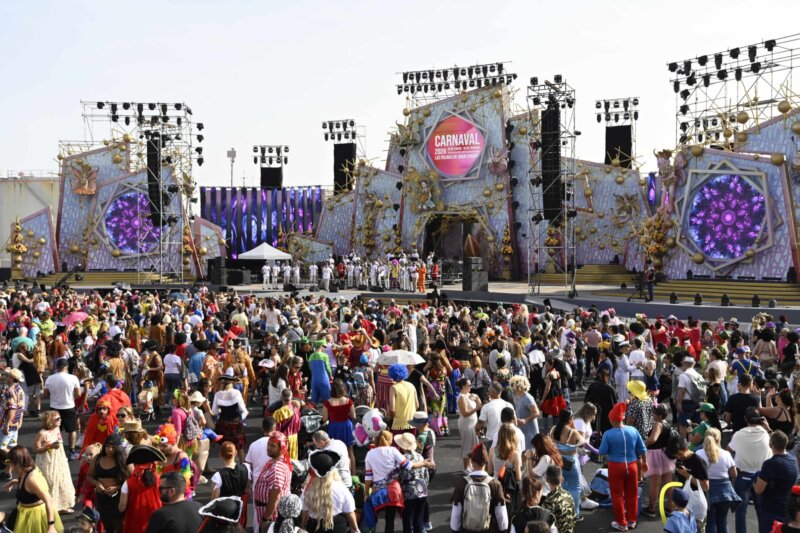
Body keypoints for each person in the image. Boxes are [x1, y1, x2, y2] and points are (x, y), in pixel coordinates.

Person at [363, 430, 432, 533]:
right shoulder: (395, 451)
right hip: (395, 491)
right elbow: (408, 466)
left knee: (375, 517)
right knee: (395, 519)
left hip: (379, 492)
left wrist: (366, 493)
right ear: (388, 440)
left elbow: (368, 477)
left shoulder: (370, 454)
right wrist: (423, 464)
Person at [597, 402, 648, 532]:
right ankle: (631, 520)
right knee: (632, 493)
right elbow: (642, 449)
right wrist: (644, 462)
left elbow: (602, 452)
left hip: (615, 466)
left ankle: (621, 523)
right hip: (632, 466)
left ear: (612, 419)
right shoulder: (633, 430)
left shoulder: (608, 434)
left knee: (617, 495)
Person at [728, 406, 772, 533]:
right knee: (761, 510)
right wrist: (768, 428)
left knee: (741, 510)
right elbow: (779, 442)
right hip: (761, 477)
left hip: (742, 476)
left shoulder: (738, 435)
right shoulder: (766, 434)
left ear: (745, 419)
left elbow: (729, 450)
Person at [449, 443, 508, 533]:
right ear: (486, 462)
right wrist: (503, 529)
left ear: (472, 462)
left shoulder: (462, 483)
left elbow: (456, 513)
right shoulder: (495, 484)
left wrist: (455, 530)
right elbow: (501, 514)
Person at [5, 445, 64, 533]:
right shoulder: (26, 471)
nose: (8, 464)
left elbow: (48, 500)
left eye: (9, 461)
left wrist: (51, 526)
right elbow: (29, 488)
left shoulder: (31, 478)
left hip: (35, 517)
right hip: (25, 513)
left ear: (17, 462)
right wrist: (14, 481)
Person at [301, 449, 359, 533]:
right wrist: (355, 529)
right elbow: (349, 511)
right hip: (337, 527)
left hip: (314, 528)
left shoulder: (308, 488)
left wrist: (303, 525)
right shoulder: (340, 487)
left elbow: (304, 511)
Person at [754, 430, 800, 533]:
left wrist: (755, 478)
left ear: (771, 444)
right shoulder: (792, 458)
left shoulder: (770, 464)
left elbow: (758, 490)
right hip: (786, 510)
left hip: (771, 512)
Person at [696, 428, 740, 533]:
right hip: (724, 491)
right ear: (719, 439)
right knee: (722, 520)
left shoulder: (698, 453)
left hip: (707, 490)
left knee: (710, 520)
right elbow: (734, 474)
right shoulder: (726, 454)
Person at [33, 411, 75, 514]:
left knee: (62, 481)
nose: (60, 420)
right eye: (57, 419)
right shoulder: (42, 433)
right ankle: (51, 507)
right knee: (50, 483)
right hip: (47, 462)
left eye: (60, 418)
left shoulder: (57, 429)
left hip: (59, 460)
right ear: (49, 421)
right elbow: (35, 449)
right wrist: (49, 446)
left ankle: (62, 506)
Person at [87, 434, 130, 533]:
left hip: (119, 499)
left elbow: (131, 480)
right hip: (102, 498)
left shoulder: (124, 460)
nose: (110, 449)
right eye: (107, 446)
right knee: (107, 525)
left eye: (113, 447)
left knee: (119, 526)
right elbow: (89, 476)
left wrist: (118, 487)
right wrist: (97, 484)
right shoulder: (97, 458)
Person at [253, 432, 293, 533]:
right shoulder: (273, 462)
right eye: (268, 444)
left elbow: (275, 496)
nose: (268, 448)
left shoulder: (277, 468)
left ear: (282, 448)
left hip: (271, 515)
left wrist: (266, 518)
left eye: (273, 446)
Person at [119, 445, 164, 533]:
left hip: (135, 524)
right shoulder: (160, 479)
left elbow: (122, 507)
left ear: (135, 464)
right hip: (156, 521)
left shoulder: (127, 483)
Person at [643, 403, 675, 518]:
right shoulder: (667, 423)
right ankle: (671, 507)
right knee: (668, 482)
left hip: (656, 455)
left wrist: (642, 444)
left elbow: (653, 439)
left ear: (660, 415)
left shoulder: (658, 424)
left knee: (654, 483)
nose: (652, 415)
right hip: (666, 454)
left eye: (654, 413)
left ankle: (651, 509)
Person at [395, 432, 430, 533]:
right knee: (418, 519)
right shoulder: (420, 457)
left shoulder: (401, 459)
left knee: (407, 519)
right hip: (422, 490)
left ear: (401, 446)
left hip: (408, 492)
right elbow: (426, 474)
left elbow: (398, 476)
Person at [211, 442, 251, 527]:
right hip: (241, 507)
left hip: (225, 512)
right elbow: (247, 488)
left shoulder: (218, 476)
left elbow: (214, 500)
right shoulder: (246, 468)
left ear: (220, 455)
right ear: (236, 453)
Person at [321, 379, 356, 471]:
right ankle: (353, 474)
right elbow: (354, 416)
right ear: (343, 389)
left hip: (334, 427)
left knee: (334, 451)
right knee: (350, 451)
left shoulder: (327, 403)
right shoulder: (348, 401)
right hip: (346, 426)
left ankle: (336, 473)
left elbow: (324, 419)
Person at [213, 368, 249, 455]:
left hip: (223, 423)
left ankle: (227, 465)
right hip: (235, 423)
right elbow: (243, 410)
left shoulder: (218, 394)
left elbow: (214, 411)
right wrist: (241, 419)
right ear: (231, 383)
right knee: (239, 447)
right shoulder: (236, 393)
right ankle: (242, 464)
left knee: (225, 447)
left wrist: (220, 414)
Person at [475, 382, 513, 447]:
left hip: (491, 440)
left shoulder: (486, 407)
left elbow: (478, 426)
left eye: (488, 390)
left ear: (492, 393)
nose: (487, 392)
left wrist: (478, 432)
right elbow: (514, 422)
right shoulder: (509, 405)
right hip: (507, 439)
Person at [541, 464, 577, 533]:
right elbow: (574, 517)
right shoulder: (568, 495)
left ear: (546, 479)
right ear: (562, 479)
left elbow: (543, 525)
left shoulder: (549, 501)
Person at [456, 377, 482, 469]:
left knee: (474, 444)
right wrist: (476, 408)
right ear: (463, 386)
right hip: (466, 423)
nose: (471, 386)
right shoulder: (461, 398)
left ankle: (470, 465)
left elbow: (480, 405)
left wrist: (477, 398)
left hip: (473, 423)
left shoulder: (470, 395)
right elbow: (465, 413)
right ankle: (466, 467)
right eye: (469, 385)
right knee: (467, 445)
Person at [510, 375, 539, 452]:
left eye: (513, 384)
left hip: (530, 429)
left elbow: (536, 412)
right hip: (521, 427)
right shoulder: (515, 396)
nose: (512, 387)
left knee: (530, 450)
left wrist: (525, 420)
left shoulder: (527, 397)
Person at [0, 368, 26, 451]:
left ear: (11, 378)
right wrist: (20, 421)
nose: (6, 377)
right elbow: (21, 407)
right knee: (12, 446)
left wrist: (6, 425)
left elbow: (12, 409)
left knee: (2, 448)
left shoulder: (10, 391)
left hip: (7, 423)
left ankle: (18, 462)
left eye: (8, 376)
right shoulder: (20, 390)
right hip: (16, 422)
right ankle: (16, 462)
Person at [584, 368, 617, 433]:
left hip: (593, 414)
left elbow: (586, 400)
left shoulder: (593, 386)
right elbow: (615, 403)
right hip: (607, 417)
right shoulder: (610, 388)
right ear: (607, 376)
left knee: (593, 433)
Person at [387, 364, 417, 433]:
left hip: (399, 424)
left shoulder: (393, 388)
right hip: (412, 422)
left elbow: (392, 409)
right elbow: (417, 405)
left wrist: (390, 417)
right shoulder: (411, 385)